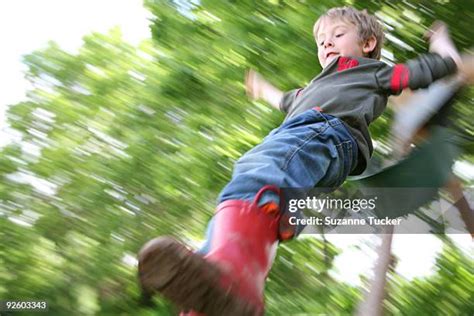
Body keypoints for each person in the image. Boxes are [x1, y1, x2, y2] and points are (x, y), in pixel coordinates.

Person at [138, 7, 466, 316]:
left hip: (327, 134)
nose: (326, 43)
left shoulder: (369, 72)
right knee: (243, 192)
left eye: (337, 35)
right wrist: (263, 89)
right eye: (321, 41)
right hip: (309, 142)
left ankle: (236, 278)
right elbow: (287, 101)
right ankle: (211, 295)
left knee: (257, 176)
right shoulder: (316, 87)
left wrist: (442, 47)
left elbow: (429, 69)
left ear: (367, 44)